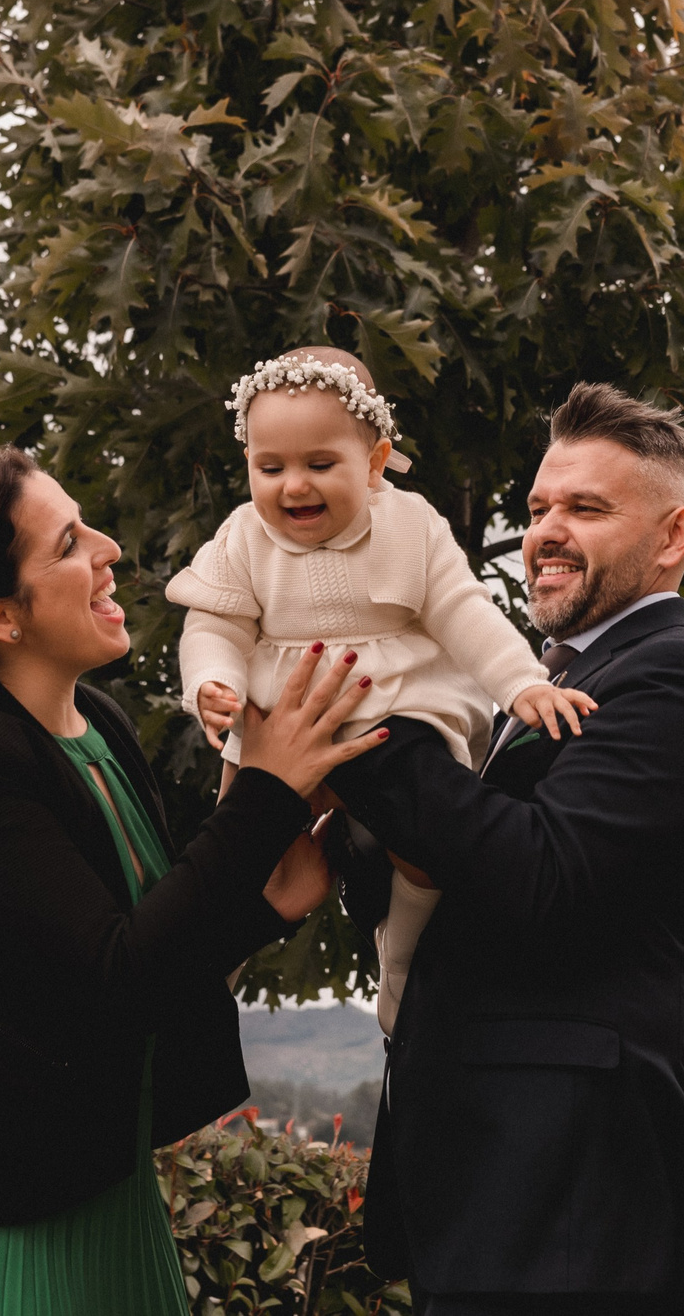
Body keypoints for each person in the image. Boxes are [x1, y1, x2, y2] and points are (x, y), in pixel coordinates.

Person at [0, 446, 381, 1316]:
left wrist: (264, 903)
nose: (108, 548)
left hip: (96, 1192)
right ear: (2, 615)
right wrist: (266, 792)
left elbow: (142, 953)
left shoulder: (100, 724)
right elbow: (110, 976)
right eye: (70, 542)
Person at [325, 383, 684, 1315]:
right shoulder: (552, 685)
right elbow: (461, 877)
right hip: (501, 1189)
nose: (545, 531)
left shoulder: (676, 680)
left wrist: (361, 725)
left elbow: (540, 875)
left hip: (573, 1200)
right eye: (537, 509)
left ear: (674, 535)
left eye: (587, 508)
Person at [167, 346, 594, 1033]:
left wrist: (520, 682)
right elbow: (214, 623)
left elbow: (462, 608)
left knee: (423, 848)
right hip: (279, 717)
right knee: (235, 851)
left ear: (372, 462)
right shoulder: (244, 537)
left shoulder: (410, 523)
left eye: (319, 464)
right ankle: (198, 981)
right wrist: (212, 681)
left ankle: (400, 961)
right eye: (269, 467)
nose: (293, 486)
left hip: (393, 705)